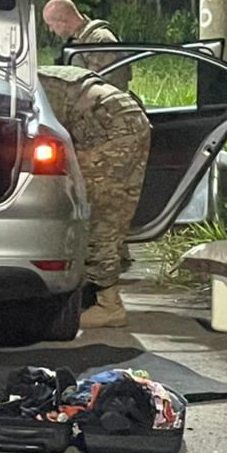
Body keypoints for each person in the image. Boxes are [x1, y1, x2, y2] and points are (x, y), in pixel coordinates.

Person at [38, 64, 150, 329]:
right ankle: (95, 289)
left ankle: (108, 305)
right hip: (126, 118)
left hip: (110, 127)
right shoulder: (36, 73)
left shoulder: (24, 83)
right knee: (114, 210)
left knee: (96, 212)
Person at [43, 0, 133, 91]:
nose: (51, 29)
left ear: (62, 20)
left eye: (50, 24)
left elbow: (115, 83)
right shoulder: (76, 41)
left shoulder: (100, 39)